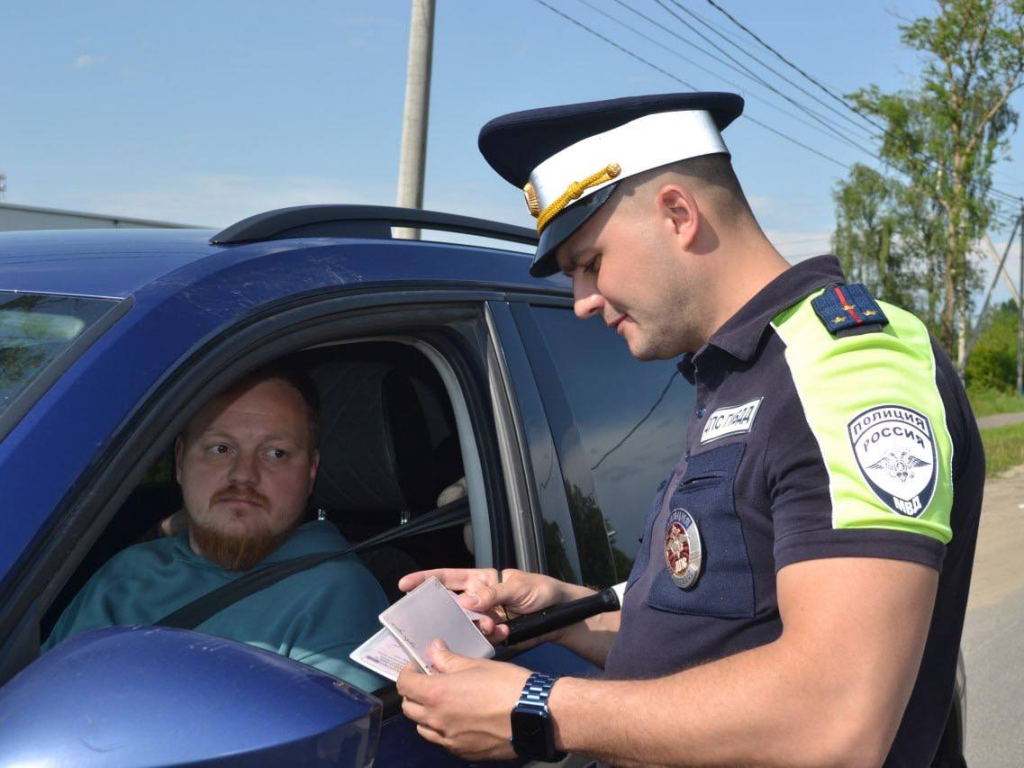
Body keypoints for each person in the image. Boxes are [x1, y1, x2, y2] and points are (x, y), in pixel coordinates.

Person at [395, 92, 983, 766]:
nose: (582, 301)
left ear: (678, 213)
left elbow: (837, 717)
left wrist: (537, 710)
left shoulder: (847, 369)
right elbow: (721, 636)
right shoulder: (738, 375)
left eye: (589, 262)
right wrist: (564, 612)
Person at [44, 364, 390, 691]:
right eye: (221, 448)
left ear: (311, 472)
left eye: (276, 454)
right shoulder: (125, 573)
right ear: (180, 461)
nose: (244, 474)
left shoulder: (334, 593)